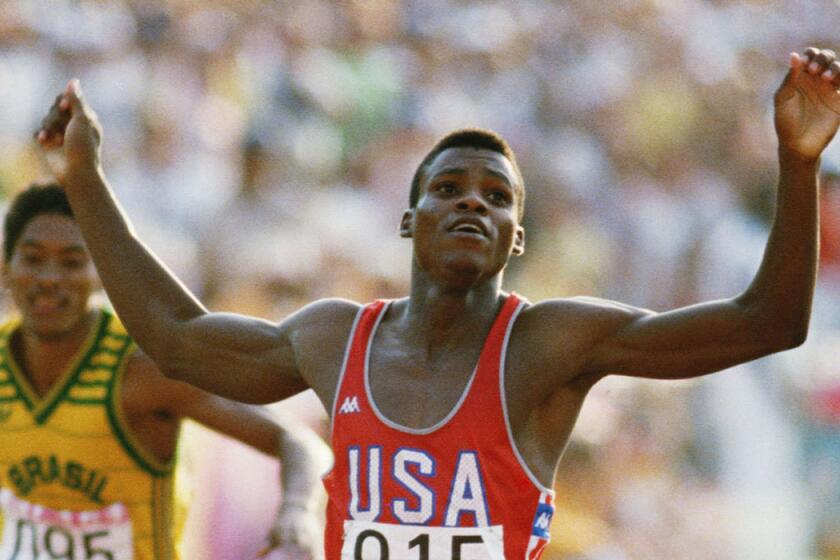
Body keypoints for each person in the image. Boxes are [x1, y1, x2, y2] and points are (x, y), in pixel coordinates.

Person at [33, 46, 839, 558]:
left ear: (515, 237)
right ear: (408, 217)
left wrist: (797, 166)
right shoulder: (333, 338)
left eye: (497, 197)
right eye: (449, 188)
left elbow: (766, 322)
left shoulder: (549, 345)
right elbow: (179, 339)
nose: (473, 205)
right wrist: (84, 181)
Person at [0, 184, 330, 559]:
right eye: (32, 258)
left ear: (100, 273)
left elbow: (300, 444)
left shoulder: (140, 369)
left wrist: (297, 513)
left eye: (72, 262)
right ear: (5, 266)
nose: (50, 278)